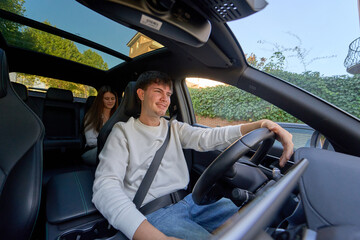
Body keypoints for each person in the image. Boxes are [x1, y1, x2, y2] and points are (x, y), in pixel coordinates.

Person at [92, 71, 294, 240]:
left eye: (168, 93)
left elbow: (211, 137)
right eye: (158, 91)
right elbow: (105, 188)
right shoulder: (122, 132)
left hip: (192, 202)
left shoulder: (174, 128)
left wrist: (261, 124)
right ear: (141, 94)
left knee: (254, 227)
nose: (165, 98)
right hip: (155, 213)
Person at [82, 85, 119, 165]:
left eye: (113, 99)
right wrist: (111, 142)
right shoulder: (92, 116)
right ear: (100, 100)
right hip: (92, 151)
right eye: (106, 99)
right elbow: (90, 141)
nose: (110, 101)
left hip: (113, 149)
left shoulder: (117, 117)